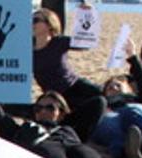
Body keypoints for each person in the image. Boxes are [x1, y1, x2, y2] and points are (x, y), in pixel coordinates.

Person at [31, 7, 106, 142]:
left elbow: (86, 43)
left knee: (103, 99)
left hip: (75, 87)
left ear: (49, 25)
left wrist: (87, 14)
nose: (31, 23)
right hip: (55, 97)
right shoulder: (26, 48)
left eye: (36, 20)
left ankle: (80, 139)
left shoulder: (59, 42)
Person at [92, 37, 142, 158]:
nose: (113, 87)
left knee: (134, 111)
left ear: (129, 89)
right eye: (109, 87)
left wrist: (133, 57)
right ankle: (126, 151)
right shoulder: (104, 103)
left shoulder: (137, 99)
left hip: (136, 115)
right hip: (113, 117)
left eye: (118, 85)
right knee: (108, 122)